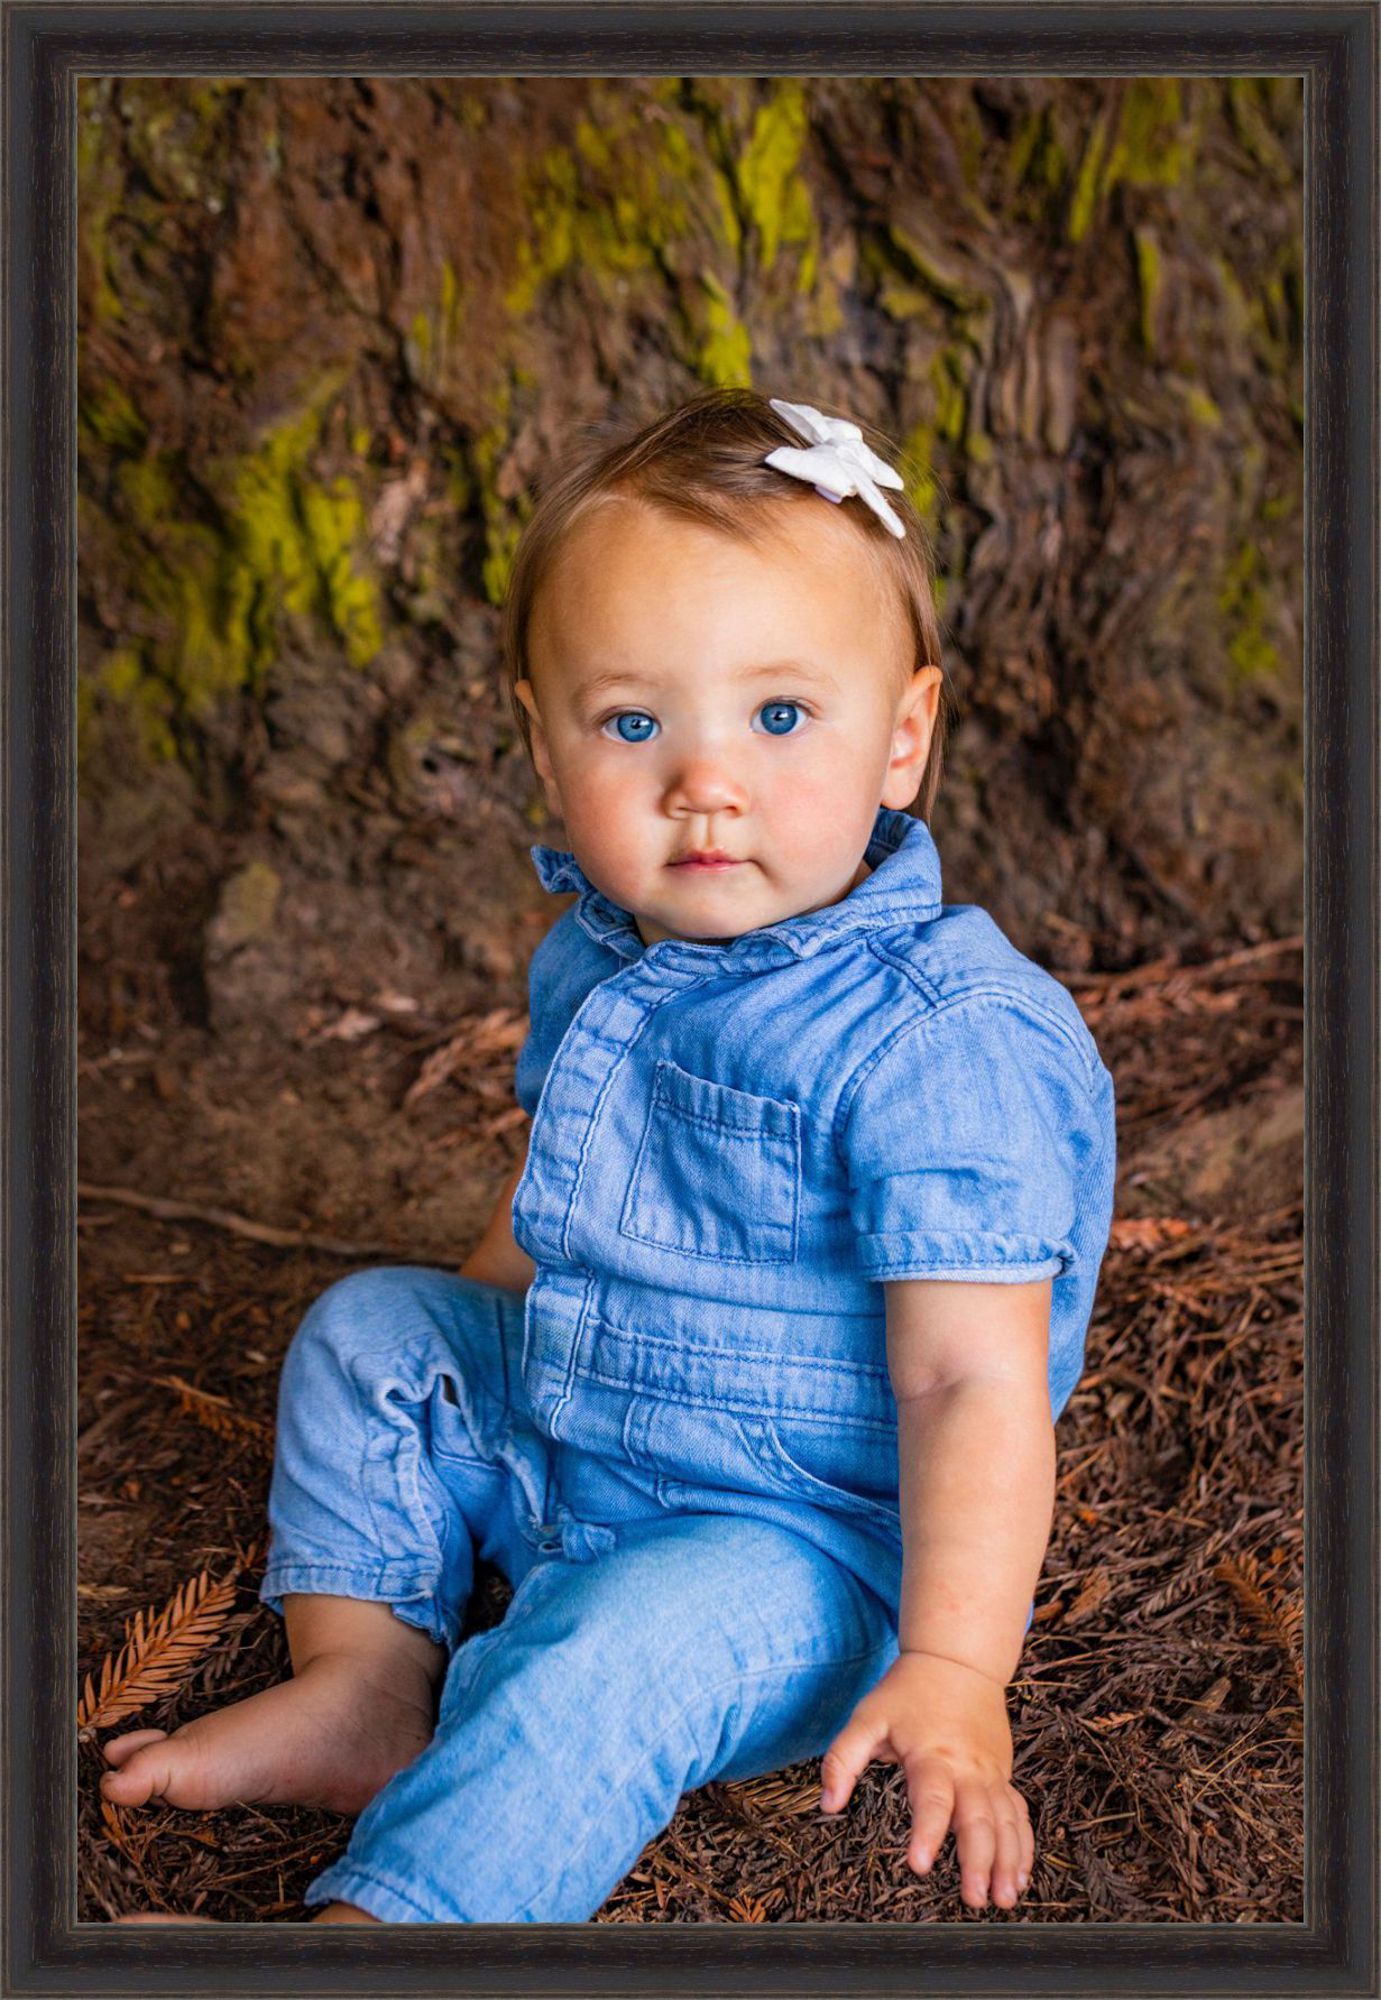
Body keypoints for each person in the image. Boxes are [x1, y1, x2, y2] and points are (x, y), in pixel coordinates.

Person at [103, 387, 1117, 1926]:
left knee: (608, 1659)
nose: (702, 782)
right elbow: (562, 1206)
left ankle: (397, 1924)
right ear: (542, 734)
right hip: (586, 1425)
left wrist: (953, 1665)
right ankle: (367, 1683)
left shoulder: (940, 1046)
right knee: (373, 1329)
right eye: (633, 723)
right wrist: (467, 1373)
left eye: (779, 718)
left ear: (902, 737)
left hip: (792, 1545)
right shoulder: (603, 957)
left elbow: (966, 1379)